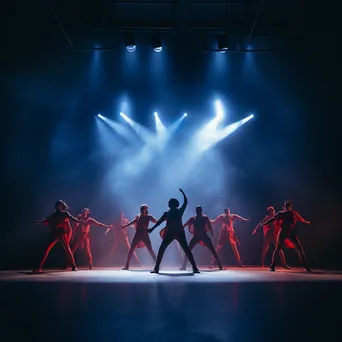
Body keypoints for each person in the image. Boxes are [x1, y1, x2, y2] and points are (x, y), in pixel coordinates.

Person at [148, 188, 200, 274]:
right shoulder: (167, 213)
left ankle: (195, 267)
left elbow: (185, 202)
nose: (168, 203)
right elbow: (160, 222)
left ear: (173, 204)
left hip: (178, 233)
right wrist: (152, 229)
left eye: (169, 202)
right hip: (171, 233)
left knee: (186, 250)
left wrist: (183, 193)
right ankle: (156, 268)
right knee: (162, 249)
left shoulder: (179, 211)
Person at [263, 200, 311, 272]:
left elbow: (300, 219)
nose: (287, 206)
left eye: (288, 205)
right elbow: (273, 219)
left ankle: (306, 266)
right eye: (286, 205)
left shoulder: (293, 213)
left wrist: (305, 221)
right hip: (283, 232)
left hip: (291, 233)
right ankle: (272, 265)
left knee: (299, 249)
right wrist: (265, 223)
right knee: (278, 248)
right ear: (285, 206)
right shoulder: (282, 213)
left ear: (290, 206)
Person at [35, 200, 83, 272]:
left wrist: (79, 221)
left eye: (58, 205)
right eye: (56, 205)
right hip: (55, 233)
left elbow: (72, 218)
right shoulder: (53, 214)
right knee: (47, 249)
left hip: (62, 233)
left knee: (67, 248)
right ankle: (39, 267)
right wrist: (40, 222)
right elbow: (47, 219)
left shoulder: (65, 213)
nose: (57, 206)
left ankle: (74, 265)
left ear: (61, 206)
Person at [180, 205, 223, 270]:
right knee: (188, 250)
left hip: (203, 235)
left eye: (199, 210)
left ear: (201, 210)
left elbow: (209, 226)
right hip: (196, 236)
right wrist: (180, 228)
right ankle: (183, 266)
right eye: (197, 210)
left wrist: (213, 235)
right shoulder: (193, 218)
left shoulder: (205, 217)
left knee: (212, 250)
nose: (198, 211)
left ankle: (220, 266)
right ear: (196, 210)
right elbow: (186, 224)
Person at [121, 205, 157, 270]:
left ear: (146, 209)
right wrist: (125, 226)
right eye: (141, 208)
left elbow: (155, 221)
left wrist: (164, 220)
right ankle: (127, 266)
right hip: (138, 234)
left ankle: (157, 265)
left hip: (145, 234)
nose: (142, 209)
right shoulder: (138, 216)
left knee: (150, 250)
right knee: (131, 249)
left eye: (143, 208)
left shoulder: (149, 216)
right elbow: (133, 221)